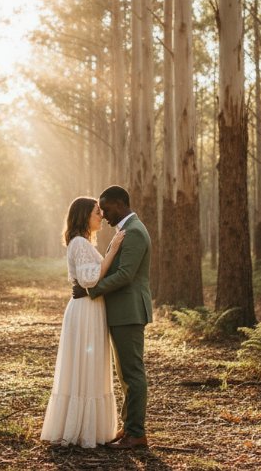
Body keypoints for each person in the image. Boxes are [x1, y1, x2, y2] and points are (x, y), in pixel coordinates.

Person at [40, 197, 125, 448]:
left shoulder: (84, 243)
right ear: (84, 216)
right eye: (97, 212)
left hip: (92, 309)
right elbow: (89, 280)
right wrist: (112, 250)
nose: (101, 216)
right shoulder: (79, 243)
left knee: (92, 364)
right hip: (85, 310)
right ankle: (79, 428)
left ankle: (92, 427)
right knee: (83, 365)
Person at [72, 185, 152, 449]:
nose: (104, 215)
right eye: (100, 211)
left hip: (129, 311)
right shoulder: (125, 231)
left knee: (132, 373)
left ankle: (137, 434)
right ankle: (129, 428)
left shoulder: (135, 232)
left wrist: (91, 291)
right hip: (120, 311)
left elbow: (126, 275)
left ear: (119, 203)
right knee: (124, 374)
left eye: (105, 209)